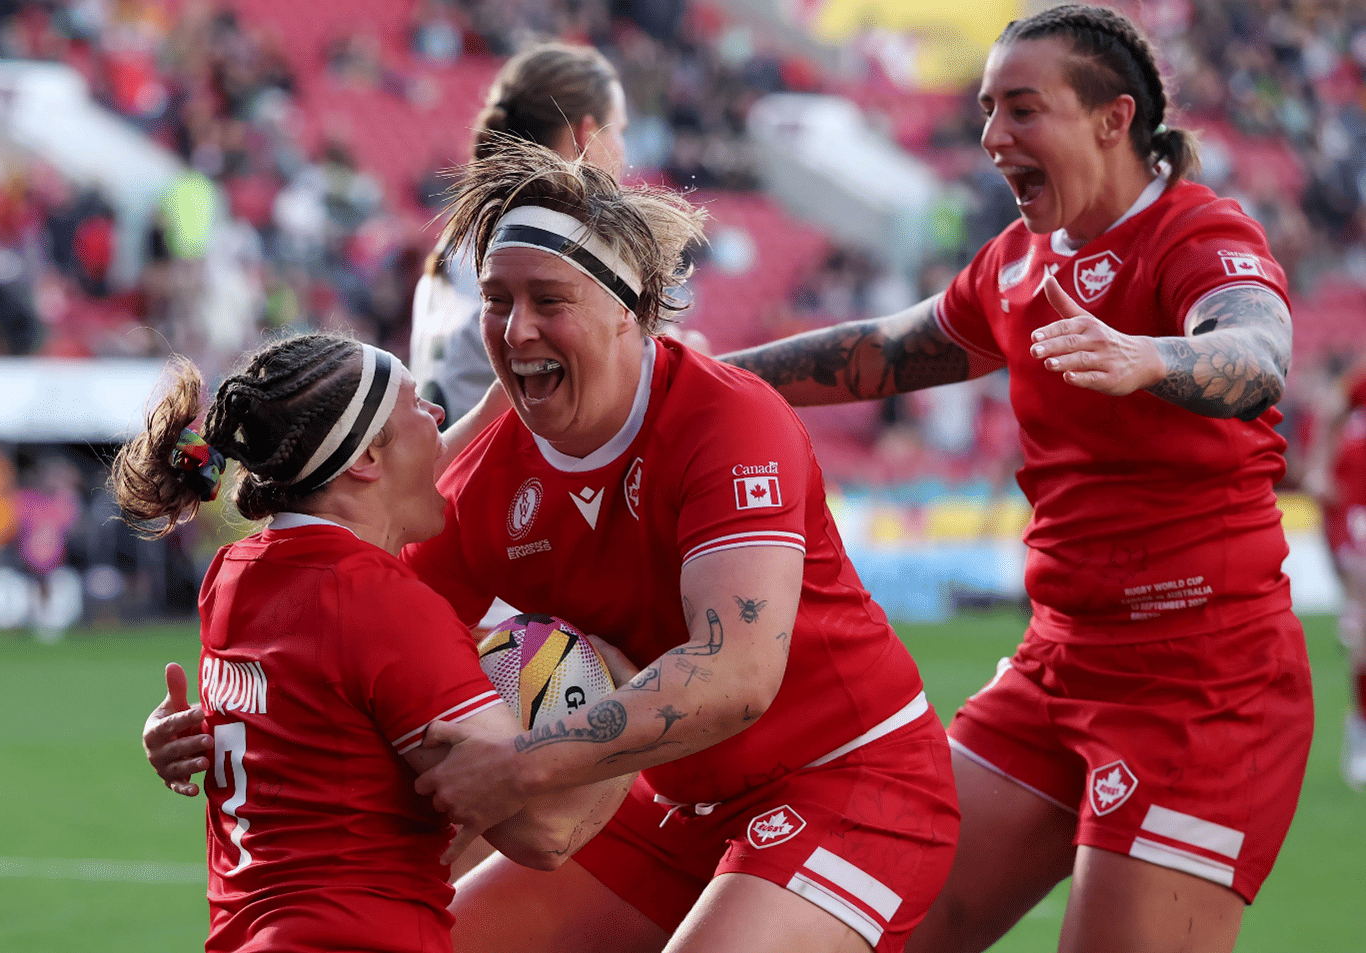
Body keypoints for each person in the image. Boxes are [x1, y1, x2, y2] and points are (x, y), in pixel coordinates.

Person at [719, 6, 1310, 953]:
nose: (993, 137)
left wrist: (1152, 358)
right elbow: (881, 351)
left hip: (1204, 682)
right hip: (1057, 665)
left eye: (1023, 110)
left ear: (1113, 119)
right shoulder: (1017, 262)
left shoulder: (1199, 232)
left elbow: (1257, 351)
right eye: (989, 109)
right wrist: (707, 374)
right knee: (883, 923)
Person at [395, 138, 959, 953]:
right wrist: (232, 710)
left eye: (547, 299)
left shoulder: (727, 419)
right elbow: (380, 642)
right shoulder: (483, 477)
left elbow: (734, 674)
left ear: (628, 306)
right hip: (668, 803)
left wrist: (520, 761)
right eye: (496, 298)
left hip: (851, 780)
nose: (516, 330)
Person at [119, 332, 631, 953]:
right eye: (417, 403)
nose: (439, 415)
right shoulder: (383, 603)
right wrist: (638, 696)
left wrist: (500, 407)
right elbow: (545, 831)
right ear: (363, 460)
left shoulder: (234, 573)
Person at [410, 41, 627, 427]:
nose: (623, 152)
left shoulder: (469, 231)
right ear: (587, 134)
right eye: (620, 130)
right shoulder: (555, 242)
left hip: (446, 463)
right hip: (494, 472)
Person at [1302, 356, 1366, 790]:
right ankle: (1361, 730)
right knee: (1363, 619)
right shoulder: (1358, 383)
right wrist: (1320, 468)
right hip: (1357, 511)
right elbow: (1331, 407)